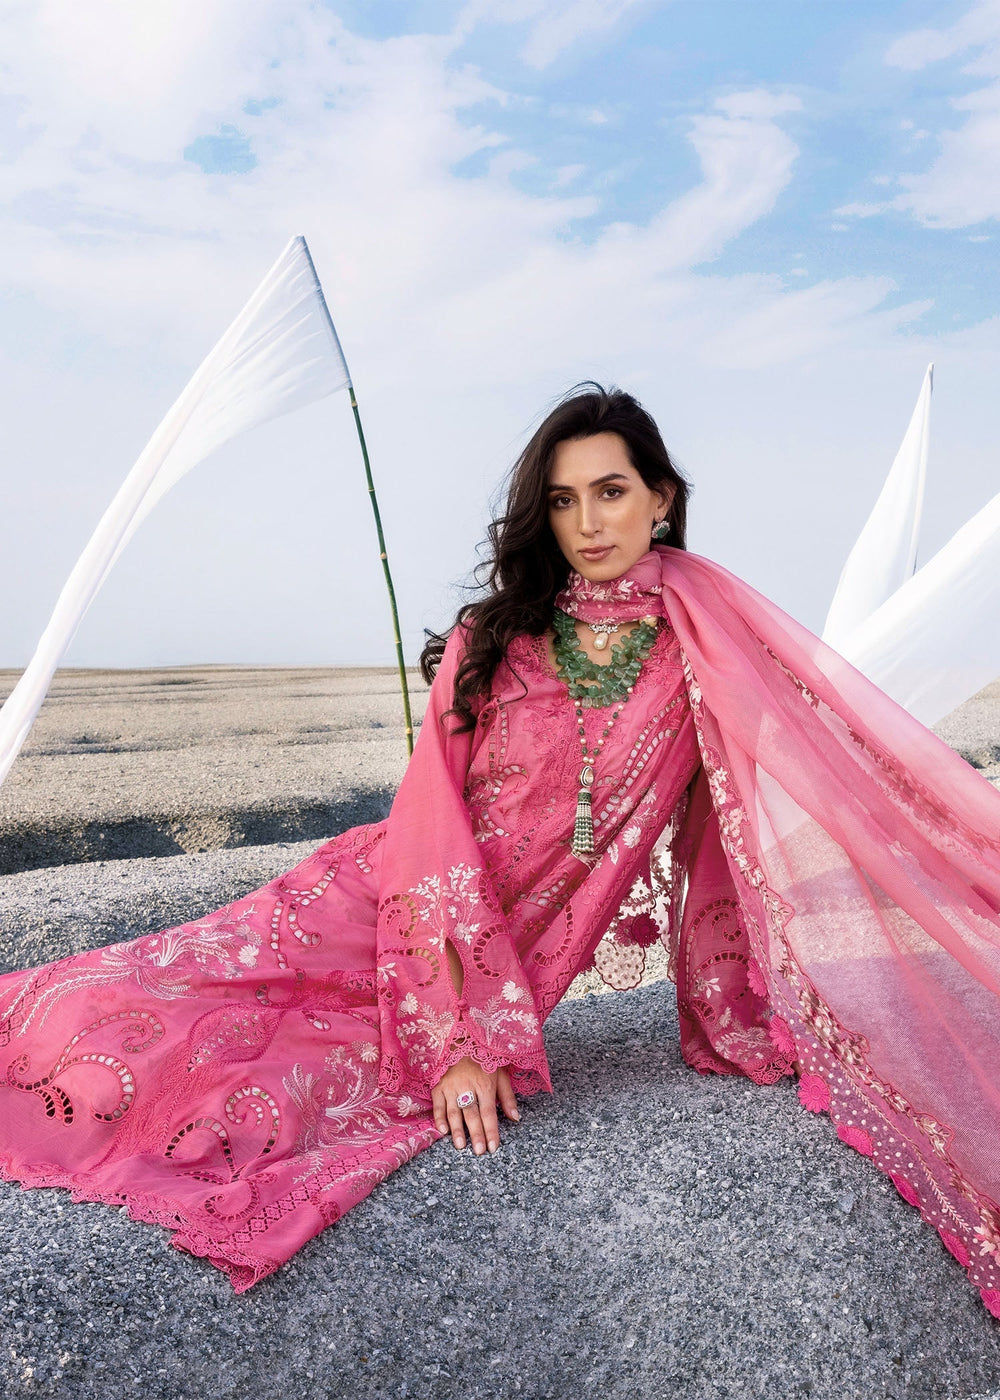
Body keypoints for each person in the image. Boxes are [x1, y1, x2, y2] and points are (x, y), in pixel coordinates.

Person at [1, 385, 999, 1314]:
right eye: (563, 500)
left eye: (611, 490)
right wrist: (458, 1039)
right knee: (123, 1010)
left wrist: (731, 1010)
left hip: (505, 960)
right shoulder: (495, 636)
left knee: (253, 1095)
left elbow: (749, 823)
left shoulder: (708, 642)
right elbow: (426, 827)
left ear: (661, 498)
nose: (589, 521)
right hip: (379, 911)